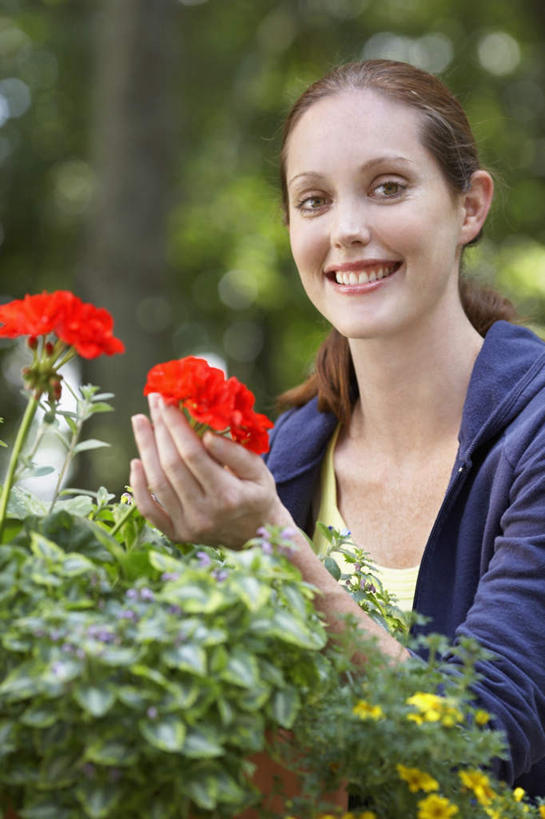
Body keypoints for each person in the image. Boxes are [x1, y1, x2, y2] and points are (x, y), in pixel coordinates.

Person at [130, 59, 545, 797]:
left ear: (469, 206)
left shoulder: (533, 434)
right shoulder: (284, 455)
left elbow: (481, 738)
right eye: (313, 200)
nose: (347, 230)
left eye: (387, 187)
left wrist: (271, 547)